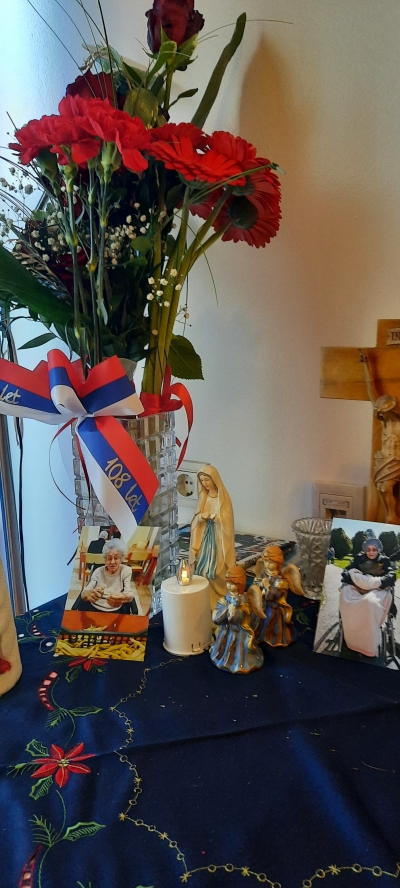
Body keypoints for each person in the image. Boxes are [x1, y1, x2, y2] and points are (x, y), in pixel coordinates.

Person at [361, 349, 400, 523]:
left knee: (387, 488)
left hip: (396, 460)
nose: (381, 414)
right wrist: (367, 365)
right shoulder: (385, 422)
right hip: (384, 458)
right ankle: (391, 516)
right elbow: (371, 389)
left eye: (385, 411)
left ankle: (392, 516)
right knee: (383, 489)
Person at [189, 465, 235, 609]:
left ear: (214, 479)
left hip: (218, 538)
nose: (205, 483)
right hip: (205, 538)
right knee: (203, 570)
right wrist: (202, 517)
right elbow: (196, 520)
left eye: (207, 479)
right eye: (202, 480)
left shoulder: (223, 498)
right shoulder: (204, 497)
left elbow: (227, 520)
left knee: (217, 570)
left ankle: (219, 600)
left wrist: (217, 518)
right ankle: (206, 602)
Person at [339, 538, 395, 658]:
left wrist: (378, 582)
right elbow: (347, 571)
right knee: (347, 596)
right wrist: (359, 582)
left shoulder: (384, 560)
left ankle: (367, 644)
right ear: (365, 550)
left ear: (378, 550)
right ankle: (351, 636)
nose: (371, 552)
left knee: (370, 603)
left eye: (374, 549)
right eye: (368, 549)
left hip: (377, 589)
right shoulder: (359, 558)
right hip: (359, 587)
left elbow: (391, 575)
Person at [209, 566, 264, 673]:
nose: (229, 586)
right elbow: (217, 619)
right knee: (224, 647)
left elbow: (240, 618)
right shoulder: (224, 600)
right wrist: (227, 609)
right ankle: (223, 659)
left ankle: (239, 663)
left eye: (233, 583)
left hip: (240, 633)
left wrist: (234, 610)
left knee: (239, 650)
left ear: (239, 584)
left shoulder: (244, 601)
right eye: (228, 582)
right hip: (226, 632)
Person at [248, 545, 304, 648]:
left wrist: (267, 586)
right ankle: (257, 634)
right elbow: (257, 588)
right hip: (263, 604)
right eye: (265, 561)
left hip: (274, 607)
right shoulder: (264, 574)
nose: (267, 565)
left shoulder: (281, 580)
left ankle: (270, 637)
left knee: (268, 619)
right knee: (255, 616)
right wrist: (257, 583)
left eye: (270, 562)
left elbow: (274, 596)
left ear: (277, 563)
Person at [75, 539, 137, 614]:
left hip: (115, 609)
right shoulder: (98, 571)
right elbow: (86, 591)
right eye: (109, 558)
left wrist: (124, 597)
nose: (112, 562)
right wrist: (87, 594)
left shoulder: (126, 570)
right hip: (95, 608)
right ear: (105, 560)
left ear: (121, 559)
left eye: (116, 558)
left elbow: (129, 592)